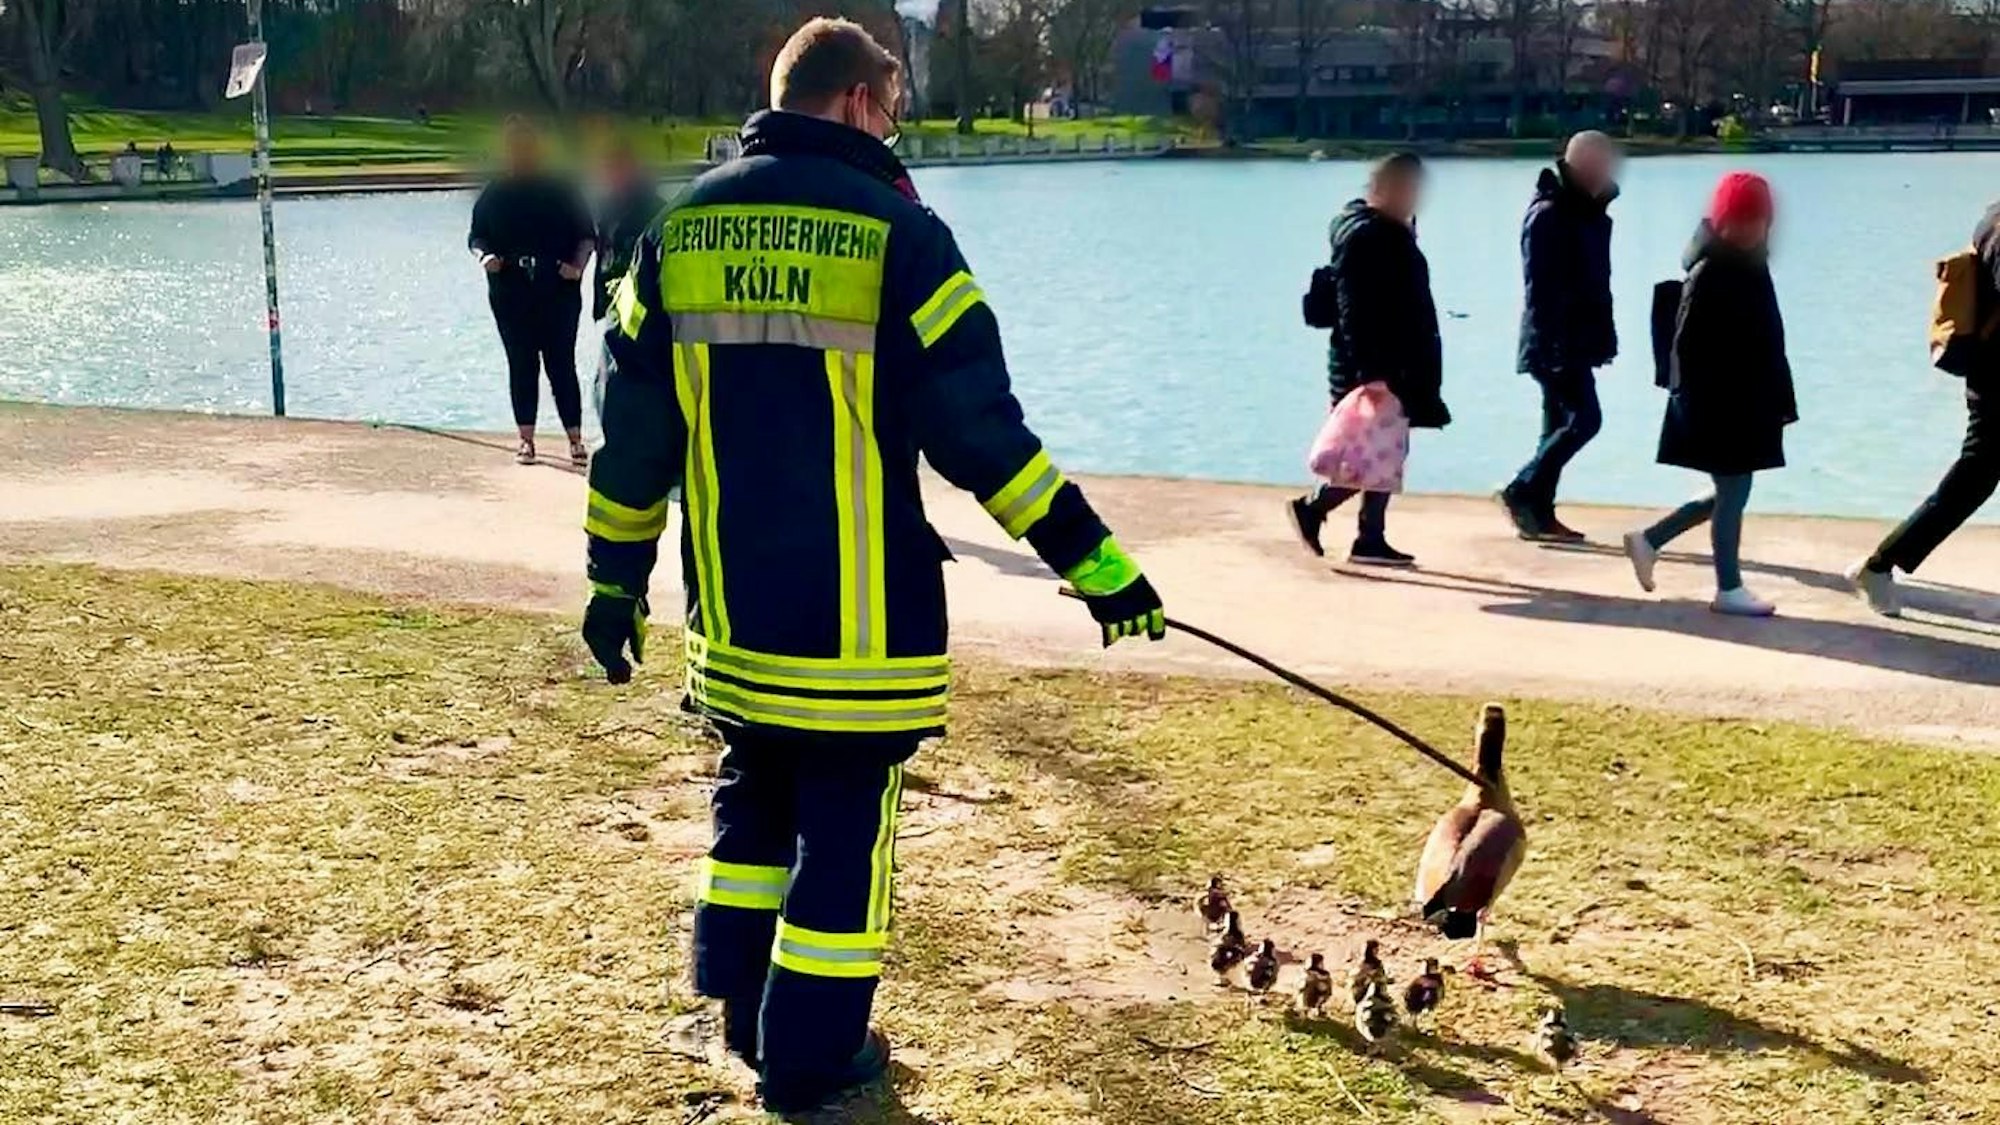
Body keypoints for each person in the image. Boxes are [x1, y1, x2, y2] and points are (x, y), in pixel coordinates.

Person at [578, 17, 1167, 1116]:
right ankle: (809, 1057)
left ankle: (740, 1007)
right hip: (858, 628)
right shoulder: (902, 235)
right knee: (846, 837)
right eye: (892, 107)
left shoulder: (675, 230)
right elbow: (982, 436)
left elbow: (632, 439)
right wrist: (1094, 563)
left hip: (733, 615)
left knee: (753, 801)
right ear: (857, 101)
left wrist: (613, 581)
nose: (894, 127)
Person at [1621, 172, 1797, 617]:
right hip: (1721, 403)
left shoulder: (1750, 264)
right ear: (1721, 221)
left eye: (1758, 220)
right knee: (1733, 490)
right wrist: (1705, 403)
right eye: (1740, 220)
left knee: (1732, 490)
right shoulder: (1712, 270)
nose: (1749, 229)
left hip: (1751, 399)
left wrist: (1780, 399)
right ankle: (1728, 588)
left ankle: (1651, 539)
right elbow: (1686, 348)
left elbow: (1769, 338)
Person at [1287, 153, 1452, 568]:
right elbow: (1355, 308)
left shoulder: (1385, 230)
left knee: (1385, 451)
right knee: (1376, 454)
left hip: (1391, 361)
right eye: (1409, 189)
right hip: (1376, 366)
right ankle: (1321, 512)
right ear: (1385, 188)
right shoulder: (1369, 236)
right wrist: (1372, 374)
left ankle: (1366, 535)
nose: (1415, 198)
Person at [1848, 205, 2000, 616]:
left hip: (1989, 374)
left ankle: (1879, 566)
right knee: (1972, 481)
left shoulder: (1993, 216)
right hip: (1995, 381)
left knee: (1974, 481)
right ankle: (1878, 566)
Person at [1500, 131, 1620, 542]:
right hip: (1552, 340)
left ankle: (1538, 513)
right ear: (1579, 164)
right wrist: (1551, 344)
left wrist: (1601, 338)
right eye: (1600, 163)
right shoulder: (1549, 213)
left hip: (1577, 337)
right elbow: (1540, 286)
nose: (1607, 170)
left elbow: (1595, 281)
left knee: (1555, 425)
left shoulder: (1587, 210)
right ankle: (1521, 489)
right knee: (1585, 420)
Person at [468, 117, 596, 466]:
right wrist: (485, 257)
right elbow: (477, 236)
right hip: (510, 290)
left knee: (560, 363)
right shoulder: (495, 193)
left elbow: (587, 235)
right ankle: (526, 440)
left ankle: (575, 439)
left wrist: (577, 267)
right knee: (521, 362)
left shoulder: (562, 190)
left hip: (557, 289)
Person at [589, 137, 665, 324]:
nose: (609, 174)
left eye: (616, 167)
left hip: (643, 309)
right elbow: (603, 254)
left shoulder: (654, 209)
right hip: (612, 305)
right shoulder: (606, 207)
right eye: (606, 168)